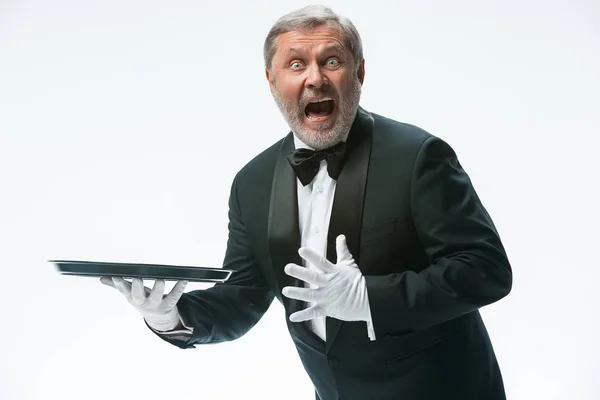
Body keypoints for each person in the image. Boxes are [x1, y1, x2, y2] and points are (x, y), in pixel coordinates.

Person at [101, 5, 512, 400]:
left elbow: (486, 270)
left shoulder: (418, 156)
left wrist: (371, 297)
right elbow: (243, 295)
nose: (315, 78)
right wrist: (169, 317)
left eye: (331, 61)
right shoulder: (252, 183)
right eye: (296, 64)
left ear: (360, 72)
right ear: (271, 80)